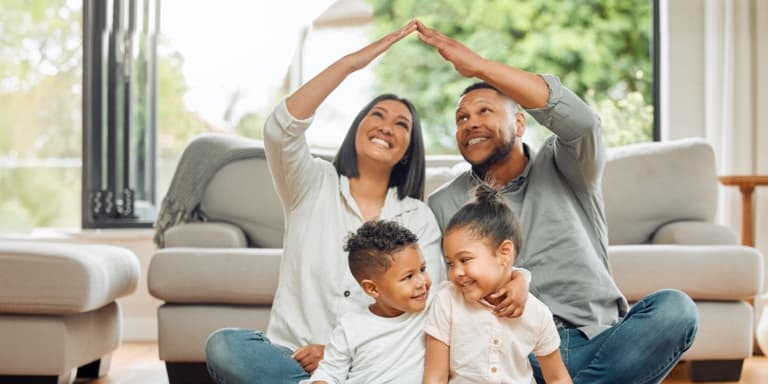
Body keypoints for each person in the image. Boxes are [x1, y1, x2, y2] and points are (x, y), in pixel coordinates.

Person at [417, 21, 698, 383]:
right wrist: (515, 279)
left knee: (675, 310)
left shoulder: (567, 165)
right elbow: (445, 290)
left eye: (485, 111)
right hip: (513, 352)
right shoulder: (444, 203)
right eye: (461, 118)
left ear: (520, 124)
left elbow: (581, 123)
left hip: (598, 339)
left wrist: (480, 66)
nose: (470, 123)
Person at [203, 21, 444, 384]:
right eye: (376, 115)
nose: (386, 127)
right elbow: (280, 128)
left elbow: (425, 302)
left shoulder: (418, 217)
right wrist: (351, 64)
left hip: (377, 365)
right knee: (225, 346)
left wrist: (336, 353)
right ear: (357, 128)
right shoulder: (311, 183)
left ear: (409, 150)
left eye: (401, 125)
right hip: (294, 360)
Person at [423, 183, 571, 384]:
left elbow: (557, 377)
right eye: (450, 263)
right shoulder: (447, 302)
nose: (456, 272)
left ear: (504, 252)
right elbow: (435, 377)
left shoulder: (537, 314)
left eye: (465, 260)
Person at [303, 220, 434, 384]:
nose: (422, 282)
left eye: (422, 269)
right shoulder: (351, 327)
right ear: (372, 289)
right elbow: (328, 373)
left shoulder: (435, 307)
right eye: (408, 277)